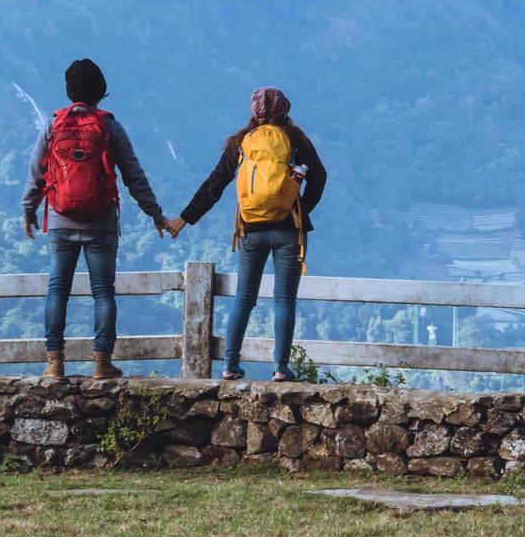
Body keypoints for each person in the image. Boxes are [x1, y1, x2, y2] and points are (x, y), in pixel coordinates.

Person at [23, 57, 176, 382]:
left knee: (57, 291)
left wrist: (28, 210)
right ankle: (101, 363)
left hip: (62, 221)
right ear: (101, 92)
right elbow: (135, 176)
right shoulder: (110, 127)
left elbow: (36, 173)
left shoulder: (53, 126)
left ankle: (54, 364)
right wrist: (156, 215)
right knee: (103, 292)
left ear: (69, 90)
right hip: (101, 223)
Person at [171, 86, 328, 381]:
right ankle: (281, 368)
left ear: (253, 112)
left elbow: (215, 184)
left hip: (251, 230)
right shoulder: (295, 139)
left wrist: (184, 218)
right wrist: (300, 209)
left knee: (244, 297)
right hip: (287, 230)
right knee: (284, 301)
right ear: (285, 111)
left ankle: (230, 364)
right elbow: (319, 176)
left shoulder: (241, 142)